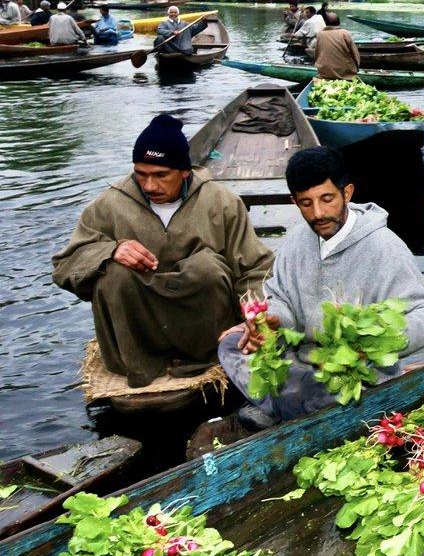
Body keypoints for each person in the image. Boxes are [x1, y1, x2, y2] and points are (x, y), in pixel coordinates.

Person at [216, 146, 424, 427]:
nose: (319, 213)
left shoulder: (384, 248)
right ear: (294, 202)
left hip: (353, 374)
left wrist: (373, 342)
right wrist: (273, 321)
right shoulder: (296, 243)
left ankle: (278, 405)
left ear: (346, 193)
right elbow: (280, 299)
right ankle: (286, 404)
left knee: (330, 389)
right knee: (231, 345)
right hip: (303, 367)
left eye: (327, 199)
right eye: (306, 203)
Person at [51, 114, 274, 388]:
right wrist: (110, 250)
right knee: (114, 273)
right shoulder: (109, 205)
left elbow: (255, 267)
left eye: (160, 175)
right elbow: (65, 267)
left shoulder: (221, 202)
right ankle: (141, 363)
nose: (149, 186)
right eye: (140, 174)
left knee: (206, 268)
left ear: (184, 171)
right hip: (138, 337)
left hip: (203, 335)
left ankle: (201, 358)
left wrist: (253, 318)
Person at [313, 12, 360, 80]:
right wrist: (357, 68)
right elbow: (355, 54)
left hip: (324, 73)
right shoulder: (345, 33)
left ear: (325, 22)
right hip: (345, 73)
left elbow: (316, 54)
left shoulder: (319, 34)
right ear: (339, 22)